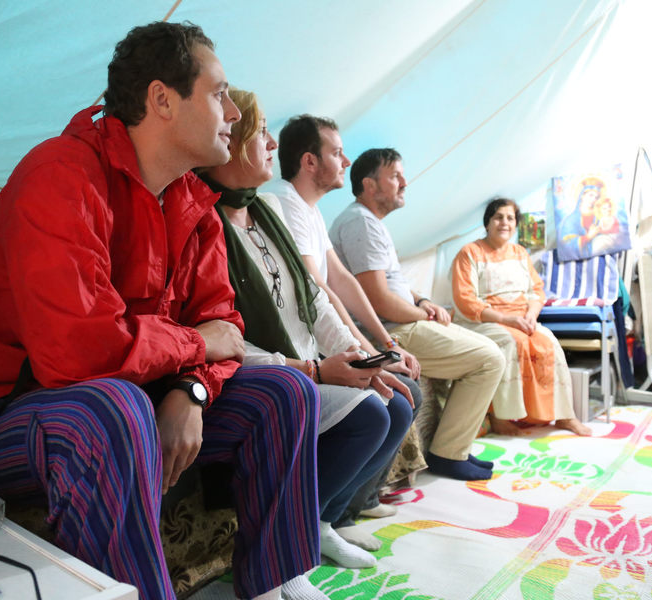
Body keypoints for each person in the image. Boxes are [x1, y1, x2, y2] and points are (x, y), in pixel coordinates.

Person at [0, 23, 321, 600]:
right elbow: (77, 353)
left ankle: (273, 585)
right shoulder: (60, 174)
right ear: (162, 100)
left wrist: (190, 390)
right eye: (219, 94)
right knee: (112, 410)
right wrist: (194, 346)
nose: (234, 113)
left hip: (132, 390)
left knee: (286, 392)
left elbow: (224, 328)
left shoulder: (195, 205)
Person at [199, 89, 414, 576]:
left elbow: (315, 297)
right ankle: (300, 533)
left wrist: (361, 356)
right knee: (370, 415)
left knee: (396, 402)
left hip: (305, 360)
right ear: (228, 143)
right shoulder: (205, 221)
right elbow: (218, 335)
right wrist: (313, 369)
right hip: (268, 371)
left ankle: (321, 521)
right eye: (260, 132)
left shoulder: (267, 211)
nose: (273, 143)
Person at [263, 114, 423, 550]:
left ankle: (337, 514)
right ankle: (317, 521)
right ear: (310, 161)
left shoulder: (310, 209)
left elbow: (342, 281)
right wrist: (367, 353)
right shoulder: (283, 202)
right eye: (337, 152)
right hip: (304, 348)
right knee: (391, 402)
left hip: (325, 342)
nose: (346, 160)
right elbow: (319, 291)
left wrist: (384, 345)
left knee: (406, 395)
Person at [329, 148, 504, 481]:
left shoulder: (370, 222)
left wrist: (423, 301)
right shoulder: (359, 223)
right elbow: (380, 301)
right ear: (369, 185)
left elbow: (394, 285)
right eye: (395, 176)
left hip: (404, 321)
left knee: (488, 347)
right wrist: (424, 317)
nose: (405, 182)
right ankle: (448, 454)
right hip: (393, 329)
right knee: (490, 358)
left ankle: (455, 448)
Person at [451, 198, 593, 437]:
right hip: (485, 320)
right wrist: (507, 320)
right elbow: (466, 300)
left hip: (521, 318)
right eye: (498, 217)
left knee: (548, 342)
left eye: (510, 218)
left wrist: (530, 316)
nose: (504, 223)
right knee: (511, 342)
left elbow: (536, 291)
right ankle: (501, 416)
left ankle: (564, 416)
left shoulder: (520, 253)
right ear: (487, 223)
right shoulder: (470, 253)